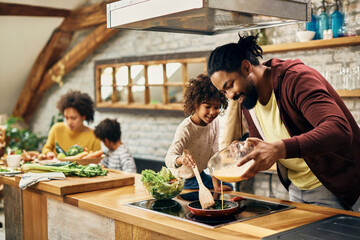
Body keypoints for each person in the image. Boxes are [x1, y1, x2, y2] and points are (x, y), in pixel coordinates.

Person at [207, 34, 360, 210]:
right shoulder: (248, 99)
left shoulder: (297, 79)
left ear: (245, 67)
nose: (230, 96)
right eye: (224, 92)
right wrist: (242, 152)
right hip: (296, 188)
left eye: (230, 85)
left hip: (335, 186)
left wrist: (279, 149)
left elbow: (339, 130)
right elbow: (262, 143)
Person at [165, 73, 233, 191]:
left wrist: (217, 186)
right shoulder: (186, 128)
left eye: (216, 107)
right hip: (182, 179)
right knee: (202, 192)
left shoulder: (214, 123)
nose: (212, 112)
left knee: (229, 186)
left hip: (199, 176)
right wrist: (181, 159)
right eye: (207, 107)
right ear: (195, 104)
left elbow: (215, 155)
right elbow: (169, 158)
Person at [42, 90, 101, 158]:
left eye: (73, 118)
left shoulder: (94, 136)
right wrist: (48, 153)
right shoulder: (56, 129)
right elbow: (46, 148)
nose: (69, 122)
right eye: (66, 117)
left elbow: (96, 159)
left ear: (83, 116)